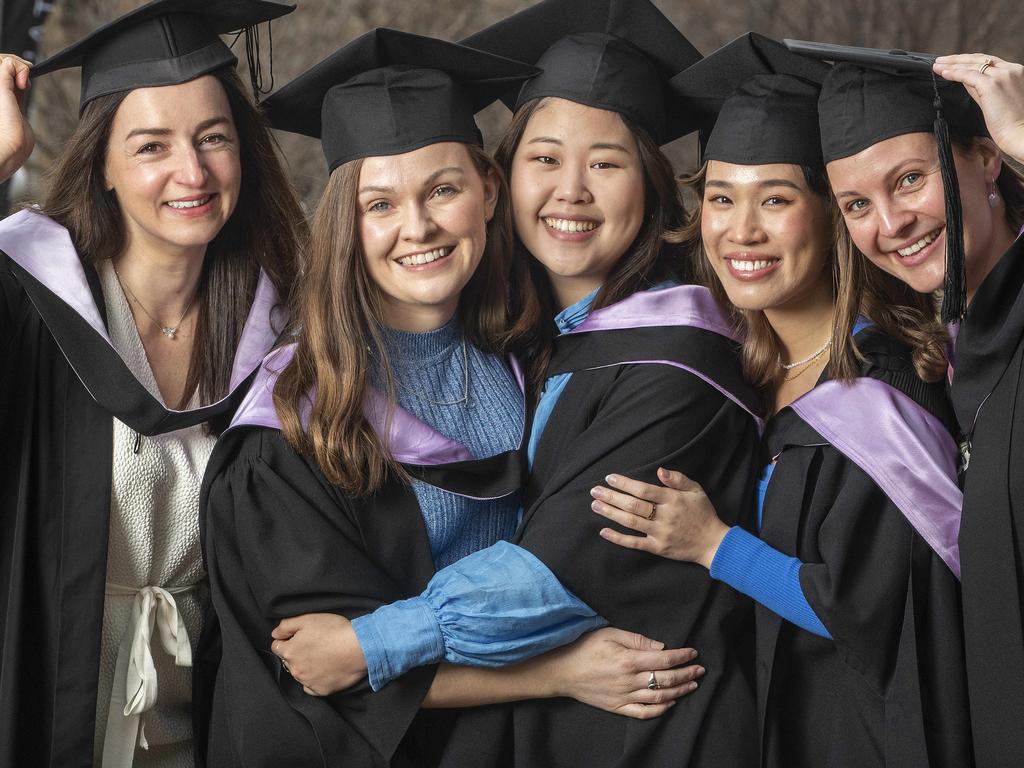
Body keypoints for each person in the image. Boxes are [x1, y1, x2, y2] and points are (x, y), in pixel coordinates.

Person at [271, 2, 765, 766]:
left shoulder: (680, 367)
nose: (571, 191)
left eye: (606, 163)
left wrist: (371, 644)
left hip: (657, 732)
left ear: (653, 187)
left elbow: (566, 565)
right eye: (545, 158)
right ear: (504, 179)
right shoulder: (523, 341)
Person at [591, 32, 972, 768]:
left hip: (861, 736)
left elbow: (871, 610)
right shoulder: (738, 373)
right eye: (722, 198)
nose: (742, 231)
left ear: (833, 216)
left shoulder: (884, 393)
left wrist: (713, 545)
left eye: (776, 199)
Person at [0, 1, 303, 766]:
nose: (191, 173)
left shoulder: (284, 332)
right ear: (101, 162)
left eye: (212, 139)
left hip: (206, 730)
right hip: (41, 706)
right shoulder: (30, 300)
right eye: (151, 146)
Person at [803, 43, 1024, 766]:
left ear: (987, 158)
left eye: (909, 180)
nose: (889, 223)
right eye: (857, 205)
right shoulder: (955, 349)